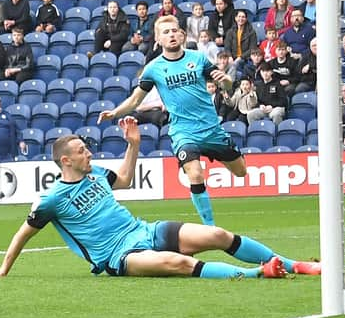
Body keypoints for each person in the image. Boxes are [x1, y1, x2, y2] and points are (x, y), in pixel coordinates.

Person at [0, 119, 321, 279]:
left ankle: (295, 265)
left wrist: (133, 145)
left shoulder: (97, 174)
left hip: (144, 230)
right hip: (118, 256)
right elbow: (23, 233)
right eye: (81, 151)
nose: (88, 152)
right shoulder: (50, 200)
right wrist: (3, 270)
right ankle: (260, 273)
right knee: (178, 264)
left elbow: (124, 180)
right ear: (66, 160)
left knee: (217, 235)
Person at [97, 16, 246, 231]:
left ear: (182, 35)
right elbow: (135, 100)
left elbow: (227, 86)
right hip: (183, 132)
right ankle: (210, 228)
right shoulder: (153, 68)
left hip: (212, 129)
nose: (171, 35)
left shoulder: (199, 58)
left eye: (175, 30)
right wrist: (114, 113)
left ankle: (218, 157)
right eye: (166, 32)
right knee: (195, 174)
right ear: (158, 39)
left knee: (241, 172)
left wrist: (226, 81)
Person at [0, 94, 25, 162]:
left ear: (0, 103)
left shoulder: (8, 116)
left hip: (7, 155)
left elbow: (17, 130)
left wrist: (21, 141)